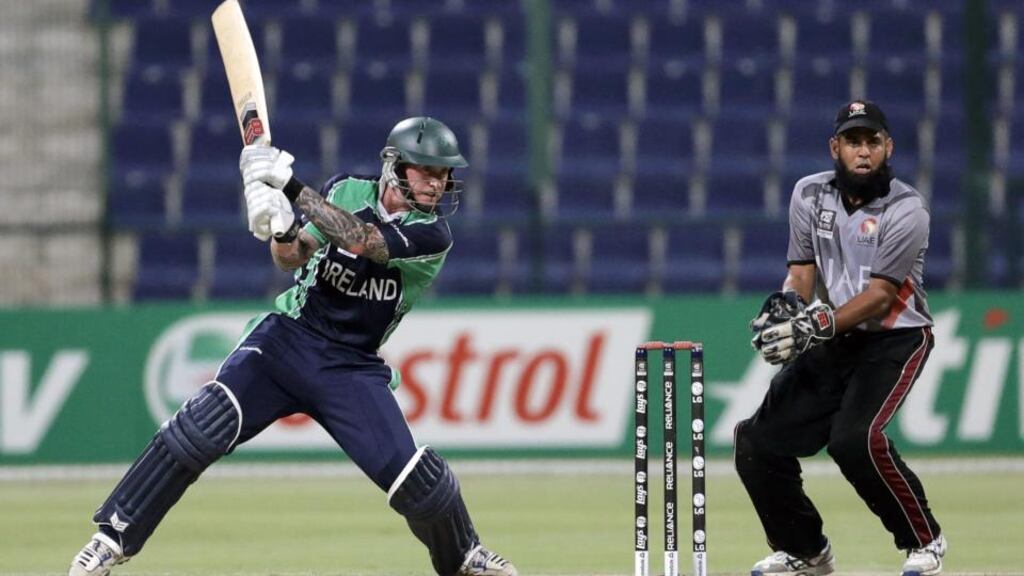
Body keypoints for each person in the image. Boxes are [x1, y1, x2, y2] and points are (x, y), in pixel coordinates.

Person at [67, 117, 518, 576]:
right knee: (200, 427)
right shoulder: (345, 191)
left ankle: (463, 556)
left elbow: (363, 242)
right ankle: (111, 539)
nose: (436, 183)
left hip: (351, 366)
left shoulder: (433, 235)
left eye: (442, 174)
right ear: (394, 166)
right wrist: (281, 228)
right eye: (426, 170)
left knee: (417, 483)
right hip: (288, 339)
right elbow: (292, 257)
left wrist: (290, 187)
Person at [738, 100, 946, 576]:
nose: (864, 151)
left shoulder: (907, 209)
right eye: (853, 141)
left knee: (855, 440)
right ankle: (806, 553)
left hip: (896, 337)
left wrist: (817, 324)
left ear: (888, 147)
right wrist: (788, 304)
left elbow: (879, 296)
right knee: (756, 441)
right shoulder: (809, 194)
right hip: (833, 338)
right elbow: (801, 273)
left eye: (873, 141)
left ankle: (925, 541)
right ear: (836, 147)